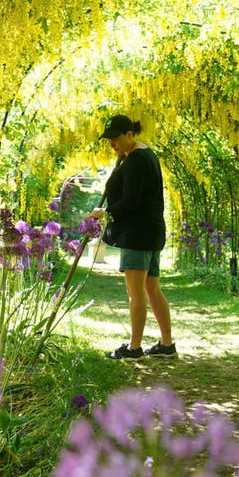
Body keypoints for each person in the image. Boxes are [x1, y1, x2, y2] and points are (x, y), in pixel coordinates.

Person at [90, 114, 176, 359]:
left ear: (129, 134)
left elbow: (130, 201)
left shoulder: (137, 160)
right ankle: (166, 344)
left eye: (116, 138)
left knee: (136, 293)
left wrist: (103, 213)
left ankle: (134, 347)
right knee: (152, 289)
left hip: (137, 235)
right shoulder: (145, 155)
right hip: (151, 232)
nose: (112, 144)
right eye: (109, 139)